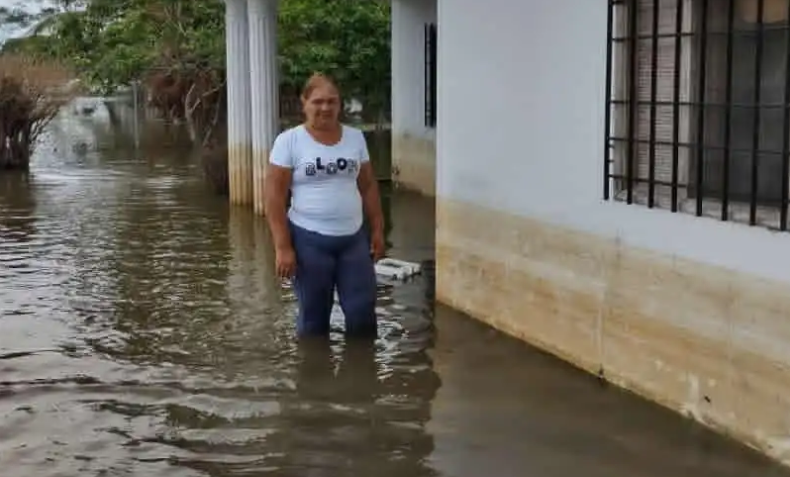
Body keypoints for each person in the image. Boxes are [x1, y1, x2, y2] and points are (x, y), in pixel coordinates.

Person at [264, 73, 385, 339]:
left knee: (362, 313)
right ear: (304, 103)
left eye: (332, 101)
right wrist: (283, 247)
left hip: (353, 240)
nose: (326, 108)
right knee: (314, 319)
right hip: (309, 241)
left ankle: (362, 375)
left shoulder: (355, 138)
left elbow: (367, 186)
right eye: (318, 101)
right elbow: (273, 197)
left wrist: (377, 229)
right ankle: (314, 376)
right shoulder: (289, 141)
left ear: (340, 105)